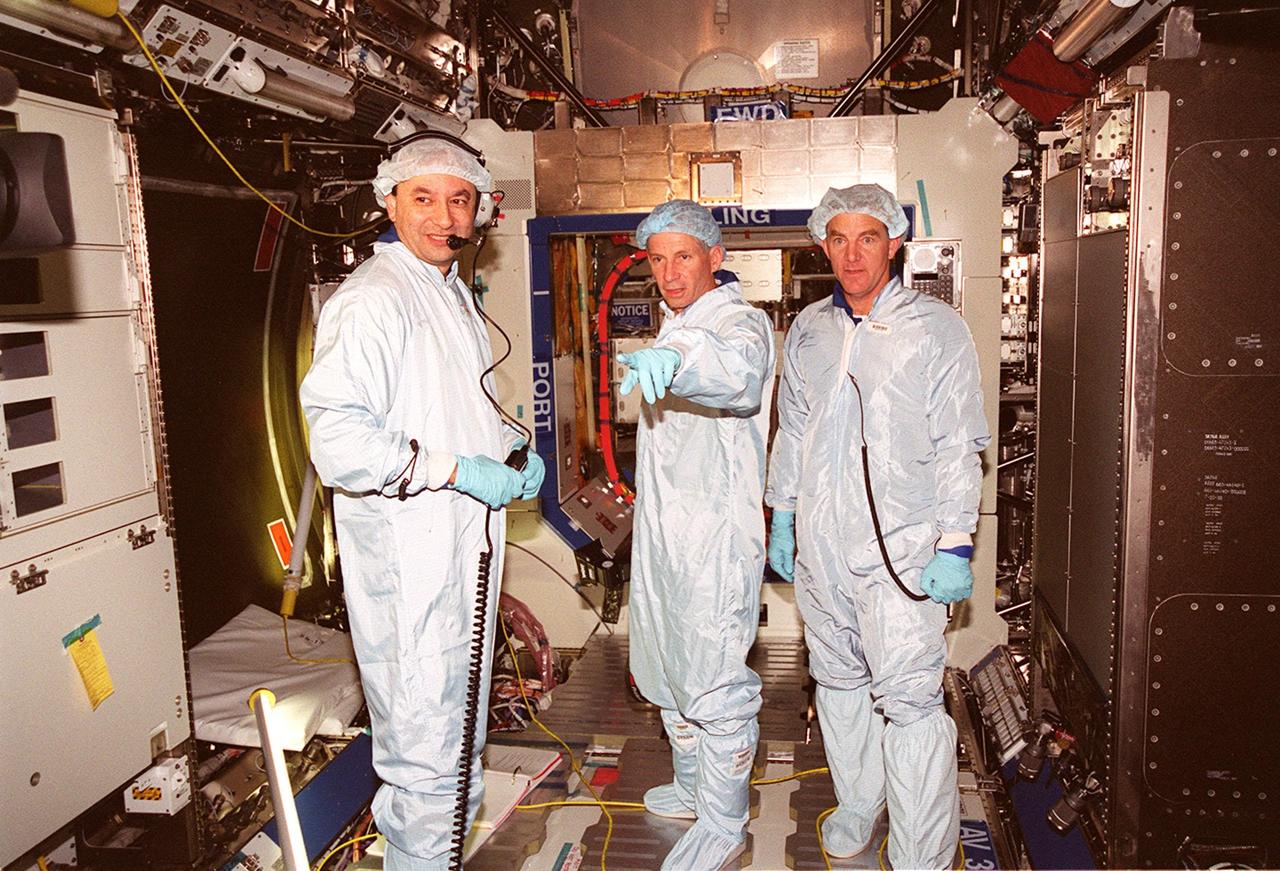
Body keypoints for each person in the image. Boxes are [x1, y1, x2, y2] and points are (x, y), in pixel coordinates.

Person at [299, 138, 545, 871]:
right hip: (412, 571)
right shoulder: (374, 299)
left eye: (460, 200)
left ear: (479, 211)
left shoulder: (447, 293)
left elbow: (458, 406)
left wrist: (508, 447)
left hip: (459, 560)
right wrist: (453, 469)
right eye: (424, 198)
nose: (444, 216)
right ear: (390, 199)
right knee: (426, 762)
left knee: (457, 749)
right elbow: (340, 441)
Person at [765, 184, 989, 869]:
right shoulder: (808, 329)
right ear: (822, 246)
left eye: (868, 238)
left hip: (903, 551)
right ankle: (860, 801)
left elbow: (959, 443)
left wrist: (955, 541)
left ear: (894, 243)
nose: (853, 253)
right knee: (836, 681)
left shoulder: (935, 328)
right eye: (839, 238)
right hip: (823, 553)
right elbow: (793, 429)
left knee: (912, 702)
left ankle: (921, 853)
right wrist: (782, 513)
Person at [620, 200, 776, 870]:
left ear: (715, 256)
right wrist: (671, 344)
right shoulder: (676, 321)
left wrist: (676, 358)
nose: (669, 271)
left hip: (714, 534)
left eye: (684, 255)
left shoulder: (737, 322)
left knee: (713, 676)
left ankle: (723, 820)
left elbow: (733, 376)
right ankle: (691, 785)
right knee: (665, 666)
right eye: (657, 258)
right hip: (665, 533)